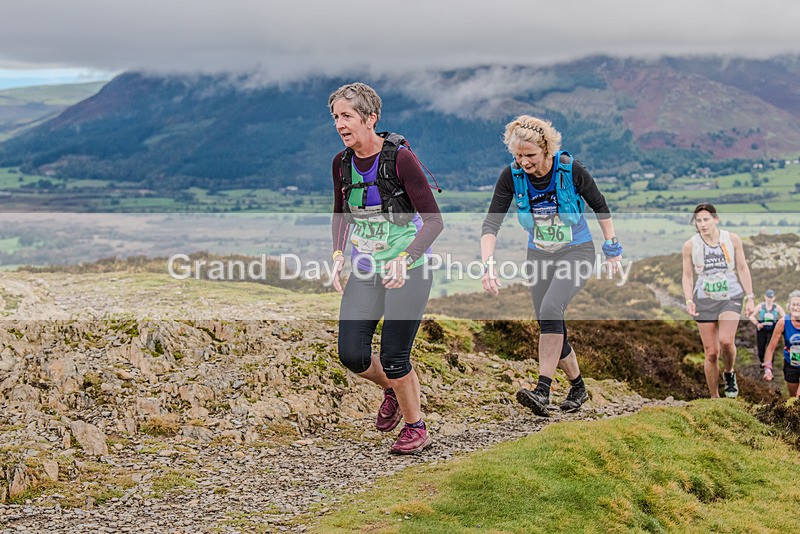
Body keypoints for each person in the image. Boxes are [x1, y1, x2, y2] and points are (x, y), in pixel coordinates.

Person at [480, 115, 623, 417]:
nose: (524, 162)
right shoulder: (512, 176)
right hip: (540, 255)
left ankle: (542, 390)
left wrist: (612, 250)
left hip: (577, 251)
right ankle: (579, 387)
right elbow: (492, 222)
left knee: (549, 310)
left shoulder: (571, 170)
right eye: (518, 156)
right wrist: (487, 265)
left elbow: (600, 205)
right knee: (550, 322)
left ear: (546, 150)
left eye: (529, 155)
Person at [328, 82, 444, 454]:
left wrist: (404, 259)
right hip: (365, 268)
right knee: (352, 355)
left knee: (396, 357)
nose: (340, 124)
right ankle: (392, 390)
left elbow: (434, 221)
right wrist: (336, 256)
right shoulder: (341, 163)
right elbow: (340, 214)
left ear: (370, 118)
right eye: (335, 117)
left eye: (347, 116)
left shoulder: (400, 160)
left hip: (407, 270)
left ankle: (416, 427)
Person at [681, 203, 755, 398]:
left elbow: (742, 268)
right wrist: (689, 300)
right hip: (704, 299)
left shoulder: (732, 240)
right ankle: (715, 397)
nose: (703, 224)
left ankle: (729, 372)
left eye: (706, 219)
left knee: (725, 341)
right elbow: (687, 276)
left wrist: (750, 297)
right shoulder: (690, 246)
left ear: (716, 219)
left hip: (730, 296)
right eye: (698, 221)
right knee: (711, 353)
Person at [764, 290, 800, 397]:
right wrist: (767, 368)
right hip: (791, 363)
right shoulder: (783, 322)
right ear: (788, 306)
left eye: (799, 305)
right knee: (793, 398)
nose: (796, 307)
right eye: (793, 304)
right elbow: (771, 348)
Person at [748, 289, 785, 380]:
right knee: (761, 348)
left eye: (771, 297)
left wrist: (778, 324)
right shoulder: (761, 306)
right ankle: (762, 362)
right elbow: (751, 316)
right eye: (768, 297)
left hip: (772, 330)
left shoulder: (777, 307)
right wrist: (757, 323)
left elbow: (784, 316)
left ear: (774, 298)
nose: (769, 299)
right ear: (765, 297)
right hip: (761, 330)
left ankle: (769, 367)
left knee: (770, 347)